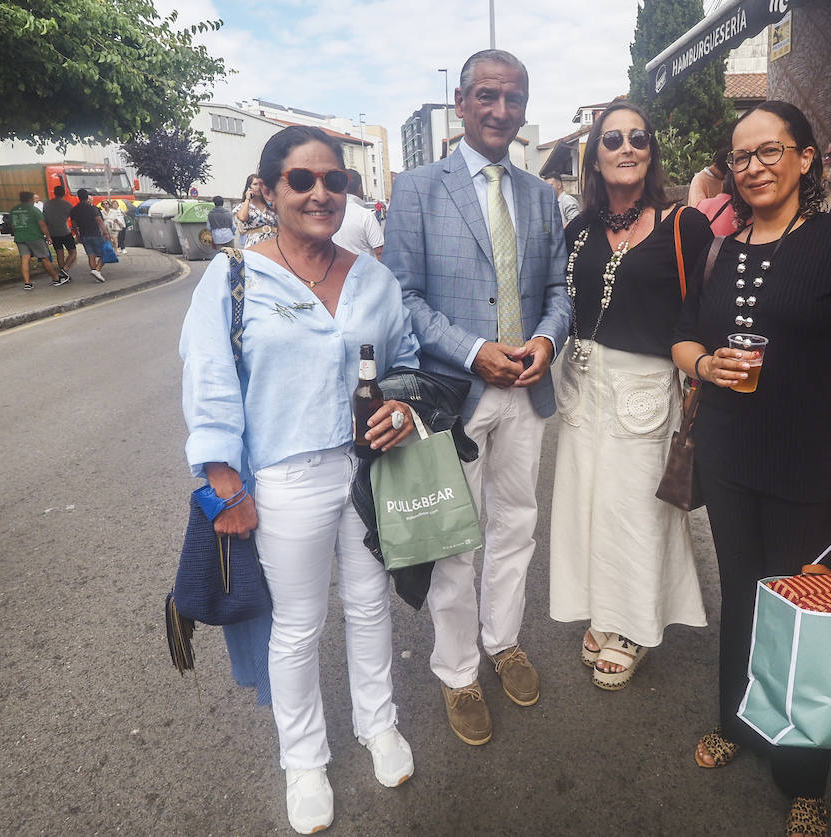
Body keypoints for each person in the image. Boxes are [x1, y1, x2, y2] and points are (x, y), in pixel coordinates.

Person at [672, 101, 831, 837]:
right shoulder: (720, 247)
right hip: (731, 458)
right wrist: (706, 362)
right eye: (740, 157)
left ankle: (804, 773)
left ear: (806, 158)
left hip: (812, 464)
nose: (754, 168)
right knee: (741, 592)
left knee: (801, 613)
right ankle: (737, 721)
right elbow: (681, 339)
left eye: (770, 151)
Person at [179, 125, 421, 834]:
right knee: (297, 624)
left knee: (371, 602)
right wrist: (223, 485)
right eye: (302, 180)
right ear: (268, 190)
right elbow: (210, 385)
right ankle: (305, 759)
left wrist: (403, 404)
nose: (321, 193)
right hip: (286, 478)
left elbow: (405, 359)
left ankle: (379, 724)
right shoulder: (233, 278)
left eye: (334, 180)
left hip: (372, 465)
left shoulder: (373, 278)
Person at [382, 48, 570, 747]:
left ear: (524, 110)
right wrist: (472, 349)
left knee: (516, 524)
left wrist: (546, 341)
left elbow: (556, 290)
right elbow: (402, 295)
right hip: (455, 392)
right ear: (461, 103)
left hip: (527, 389)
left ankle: (504, 639)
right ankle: (458, 670)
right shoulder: (417, 190)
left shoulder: (541, 194)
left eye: (513, 99)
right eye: (486, 96)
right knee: (455, 539)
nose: (500, 110)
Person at [549, 102, 713, 690]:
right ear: (594, 153)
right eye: (612, 138)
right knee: (586, 503)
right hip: (582, 380)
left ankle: (635, 627)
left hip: (646, 385)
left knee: (636, 511)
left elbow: (705, 313)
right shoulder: (580, 229)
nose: (626, 147)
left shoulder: (684, 225)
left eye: (637, 138)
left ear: (650, 151)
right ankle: (603, 610)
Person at [8, 190, 64, 290]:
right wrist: (48, 236)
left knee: (25, 259)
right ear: (30, 199)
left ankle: (27, 283)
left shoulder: (14, 210)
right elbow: (42, 224)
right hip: (34, 236)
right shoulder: (33, 210)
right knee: (44, 258)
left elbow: (12, 224)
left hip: (20, 237)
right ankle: (56, 279)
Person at [331, 169, 385, 259]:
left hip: (335, 271)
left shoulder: (328, 215)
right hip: (365, 272)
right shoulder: (365, 216)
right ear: (360, 187)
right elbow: (379, 252)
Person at [69, 189, 112, 282]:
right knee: (104, 253)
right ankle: (97, 270)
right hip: (95, 234)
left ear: (78, 197)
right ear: (87, 197)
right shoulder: (92, 208)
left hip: (84, 235)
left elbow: (73, 224)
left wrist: (77, 234)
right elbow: (99, 221)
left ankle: (96, 274)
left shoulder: (74, 209)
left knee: (91, 255)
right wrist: (106, 232)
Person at [42, 186, 78, 277]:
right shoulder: (67, 204)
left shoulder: (47, 204)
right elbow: (73, 218)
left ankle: (63, 272)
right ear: (64, 193)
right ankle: (65, 269)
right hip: (65, 231)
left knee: (59, 252)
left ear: (54, 193)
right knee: (73, 252)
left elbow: (44, 219)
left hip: (52, 232)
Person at [237, 173, 278, 247]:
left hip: (273, 242)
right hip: (255, 244)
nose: (258, 187)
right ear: (249, 187)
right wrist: (247, 199)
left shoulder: (270, 204)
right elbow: (242, 218)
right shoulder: (244, 206)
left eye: (260, 184)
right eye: (255, 184)